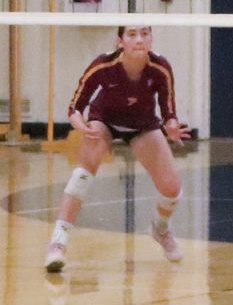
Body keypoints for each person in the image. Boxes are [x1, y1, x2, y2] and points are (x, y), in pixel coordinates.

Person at [44, 25, 191, 273]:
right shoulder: (103, 65)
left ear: (151, 39)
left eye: (145, 34)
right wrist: (82, 127)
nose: (139, 40)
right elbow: (75, 107)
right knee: (82, 175)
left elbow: (169, 110)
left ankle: (160, 229)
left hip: (142, 125)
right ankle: (57, 243)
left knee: (172, 188)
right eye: (132, 35)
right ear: (120, 41)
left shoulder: (160, 68)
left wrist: (172, 126)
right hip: (104, 121)